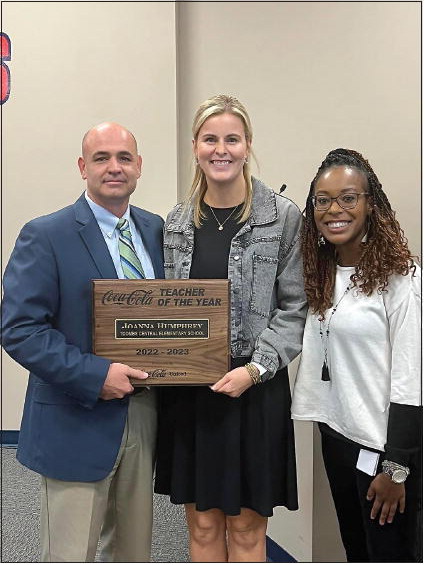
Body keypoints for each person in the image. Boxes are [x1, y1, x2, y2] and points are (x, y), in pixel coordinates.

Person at [154, 94, 307, 562]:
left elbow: (295, 308)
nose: (221, 149)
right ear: (195, 146)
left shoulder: (282, 217)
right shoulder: (177, 222)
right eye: (210, 139)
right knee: (201, 525)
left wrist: (254, 370)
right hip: (192, 391)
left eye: (232, 139)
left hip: (254, 391)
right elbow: (167, 311)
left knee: (245, 526)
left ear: (247, 145)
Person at [2, 122, 164, 562]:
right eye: (101, 158)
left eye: (124, 158)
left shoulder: (156, 230)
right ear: (82, 167)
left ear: (139, 167)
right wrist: (96, 375)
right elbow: (19, 329)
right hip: (74, 417)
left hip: (144, 415)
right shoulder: (46, 234)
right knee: (70, 554)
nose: (114, 167)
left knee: (133, 552)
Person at [292, 148, 422, 562]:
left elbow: (411, 378)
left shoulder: (401, 278)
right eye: (323, 200)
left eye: (348, 198)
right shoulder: (320, 270)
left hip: (385, 450)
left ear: (371, 205)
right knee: (356, 549)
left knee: (389, 554)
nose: (335, 210)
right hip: (336, 435)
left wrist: (396, 467)